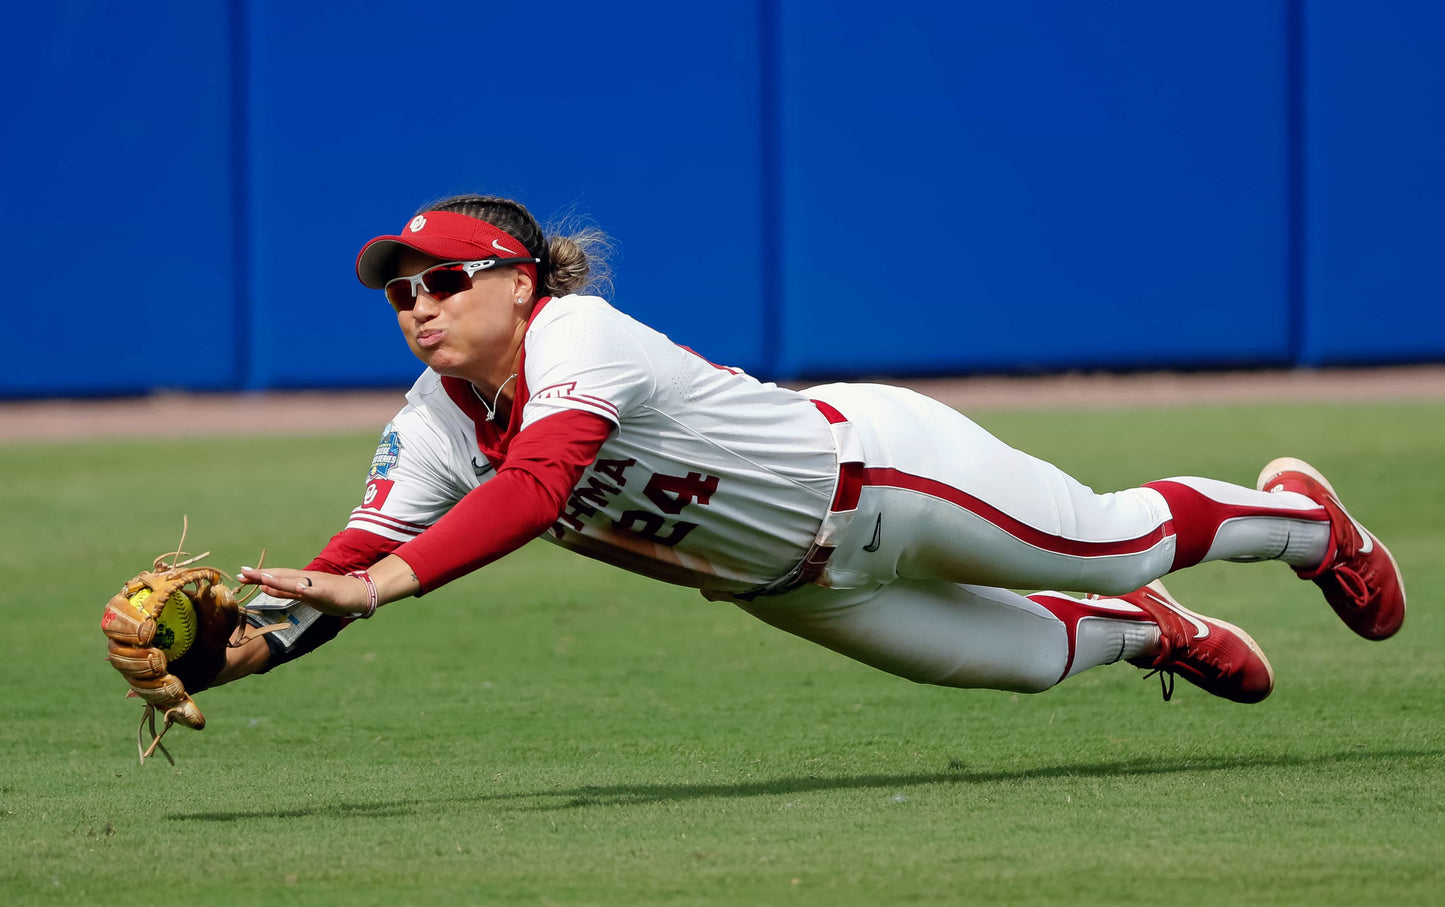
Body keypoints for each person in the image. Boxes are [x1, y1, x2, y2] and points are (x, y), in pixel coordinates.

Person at [214, 193, 1405, 706]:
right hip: (786, 584)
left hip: (882, 471)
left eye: (441, 281)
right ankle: (1162, 630)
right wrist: (245, 647)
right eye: (398, 293)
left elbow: (533, 487)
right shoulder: (429, 423)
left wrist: (375, 585)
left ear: (518, 284)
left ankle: (1307, 521)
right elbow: (350, 555)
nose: (416, 306)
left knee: (1111, 537)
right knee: (1024, 665)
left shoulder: (579, 333)